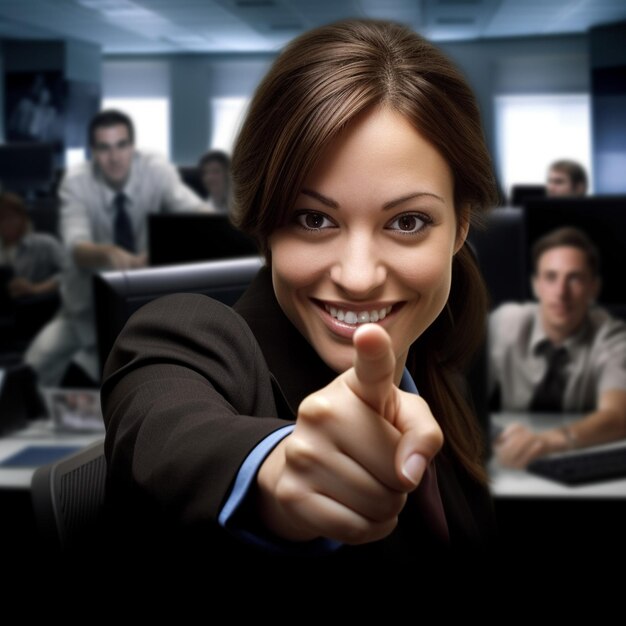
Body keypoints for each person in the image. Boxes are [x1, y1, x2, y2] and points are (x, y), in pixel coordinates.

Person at [101, 19, 499, 564]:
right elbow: (165, 433)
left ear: (460, 225)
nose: (358, 277)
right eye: (314, 219)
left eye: (407, 222)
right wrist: (278, 469)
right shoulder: (188, 340)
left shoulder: (440, 368)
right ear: (266, 225)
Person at [24, 109, 211, 387]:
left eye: (121, 145)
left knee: (135, 379)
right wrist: (108, 254)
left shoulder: (155, 169)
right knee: (36, 363)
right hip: (83, 308)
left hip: (146, 308)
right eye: (104, 148)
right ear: (92, 153)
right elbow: (76, 248)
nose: (114, 157)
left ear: (132, 147)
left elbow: (199, 216)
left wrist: (166, 251)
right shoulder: (76, 181)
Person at [490, 227, 626, 468]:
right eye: (551, 277)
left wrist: (550, 441)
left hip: (575, 460)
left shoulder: (612, 336)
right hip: (506, 456)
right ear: (536, 285)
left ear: (593, 288)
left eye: (574, 278)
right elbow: (461, 396)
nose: (561, 292)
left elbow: (618, 416)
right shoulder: (505, 323)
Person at [0, 191, 65, 300]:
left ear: (23, 218)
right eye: (1, 219)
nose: (5, 223)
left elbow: (71, 272)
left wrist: (36, 288)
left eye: (10, 217)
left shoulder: (45, 243)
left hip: (36, 308)